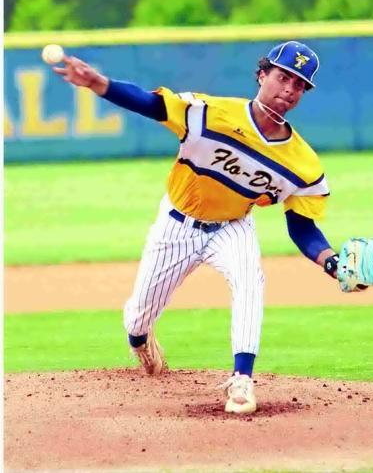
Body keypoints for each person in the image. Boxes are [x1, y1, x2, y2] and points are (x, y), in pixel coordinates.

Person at [54, 40, 347, 415]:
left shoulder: (302, 162)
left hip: (232, 226)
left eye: (298, 85)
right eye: (282, 77)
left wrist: (331, 261)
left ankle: (241, 380)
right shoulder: (210, 113)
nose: (288, 89)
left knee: (250, 280)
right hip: (176, 225)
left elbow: (302, 227)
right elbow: (152, 104)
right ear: (262, 75)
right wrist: (100, 84)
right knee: (138, 316)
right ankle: (141, 341)